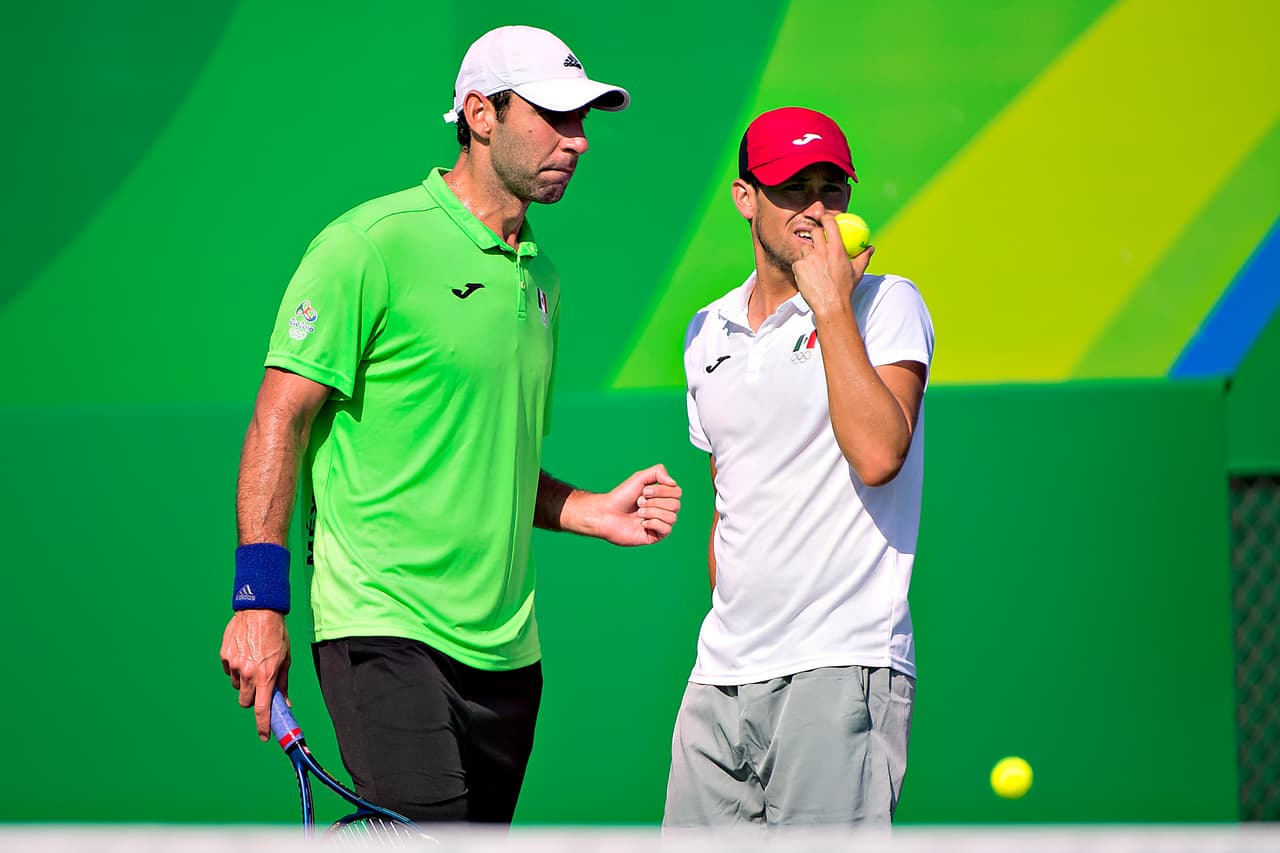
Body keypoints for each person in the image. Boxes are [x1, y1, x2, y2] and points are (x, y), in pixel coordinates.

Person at [219, 25, 682, 825]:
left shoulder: (544, 279)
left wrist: (584, 508)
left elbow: (483, 456)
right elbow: (278, 418)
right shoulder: (368, 246)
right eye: (555, 117)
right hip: (383, 627)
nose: (576, 141)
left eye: (583, 122)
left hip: (509, 656)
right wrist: (259, 599)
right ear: (480, 113)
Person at [663, 106, 934, 828]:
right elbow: (729, 504)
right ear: (746, 199)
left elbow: (880, 454)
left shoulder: (887, 305)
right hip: (719, 677)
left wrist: (831, 306)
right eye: (792, 189)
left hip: (841, 664)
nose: (816, 210)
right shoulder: (706, 331)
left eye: (832, 189)